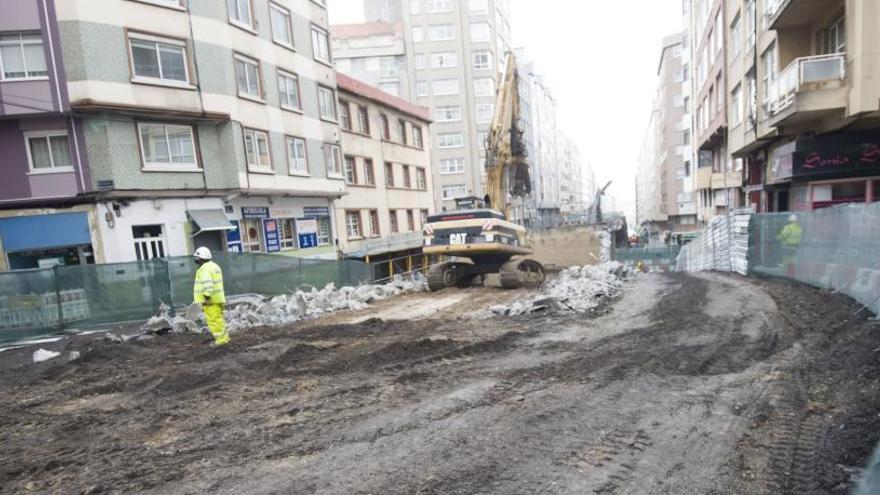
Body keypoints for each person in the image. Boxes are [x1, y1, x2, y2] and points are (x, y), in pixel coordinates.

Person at [193, 247, 229, 346]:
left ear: (200, 258)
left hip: (210, 301)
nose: (195, 259)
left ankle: (221, 340)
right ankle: (224, 338)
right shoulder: (214, 266)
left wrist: (206, 296)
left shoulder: (204, 269)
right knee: (219, 320)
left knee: (213, 321)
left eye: (197, 257)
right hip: (218, 299)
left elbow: (208, 284)